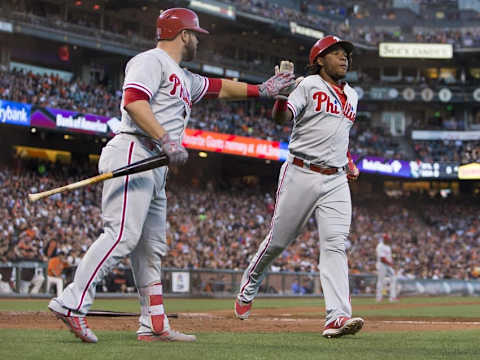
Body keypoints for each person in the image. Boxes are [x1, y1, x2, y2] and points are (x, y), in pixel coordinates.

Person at [47, 7, 295, 344]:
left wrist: (263, 90)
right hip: (135, 150)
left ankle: (154, 322)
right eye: (194, 34)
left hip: (155, 163)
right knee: (121, 235)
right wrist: (164, 137)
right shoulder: (150, 60)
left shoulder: (184, 76)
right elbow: (134, 102)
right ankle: (72, 302)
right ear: (183, 34)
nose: (197, 41)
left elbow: (221, 88)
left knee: (151, 250)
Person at [234, 35, 364, 339]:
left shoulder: (353, 95)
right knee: (279, 241)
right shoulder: (307, 84)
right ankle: (251, 281)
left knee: (335, 244)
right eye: (335, 53)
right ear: (319, 60)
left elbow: (338, 134)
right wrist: (281, 95)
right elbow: (282, 118)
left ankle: (336, 316)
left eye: (345, 54)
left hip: (335, 180)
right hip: (301, 172)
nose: (343, 58)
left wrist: (348, 161)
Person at [376, 234, 398, 302]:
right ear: (384, 239)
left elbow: (389, 257)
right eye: (387, 239)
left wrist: (392, 263)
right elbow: (382, 258)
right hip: (382, 265)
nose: (389, 240)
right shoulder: (380, 246)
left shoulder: (388, 247)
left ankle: (392, 297)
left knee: (393, 278)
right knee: (380, 281)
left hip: (388, 265)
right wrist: (390, 264)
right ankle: (379, 298)